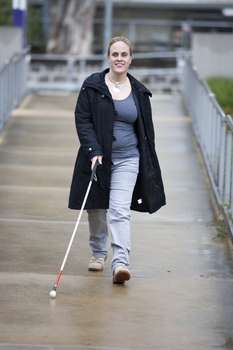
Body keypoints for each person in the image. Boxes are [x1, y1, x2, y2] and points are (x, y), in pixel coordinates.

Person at [69, 36, 165, 284]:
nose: (119, 59)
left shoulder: (140, 92)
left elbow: (146, 131)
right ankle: (98, 253)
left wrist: (148, 162)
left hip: (128, 158)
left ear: (130, 58)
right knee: (97, 209)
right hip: (97, 158)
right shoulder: (92, 86)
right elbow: (83, 119)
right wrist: (93, 150)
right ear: (108, 57)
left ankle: (120, 262)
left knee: (120, 210)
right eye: (115, 54)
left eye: (124, 54)